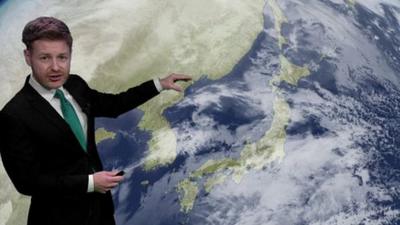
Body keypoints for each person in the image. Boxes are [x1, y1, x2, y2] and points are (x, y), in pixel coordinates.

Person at [0, 16, 191, 225]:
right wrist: (90, 183)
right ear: (28, 56)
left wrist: (159, 84)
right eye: (45, 58)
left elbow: (114, 105)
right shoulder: (13, 115)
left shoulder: (75, 85)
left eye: (62, 57)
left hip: (100, 212)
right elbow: (27, 182)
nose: (55, 67)